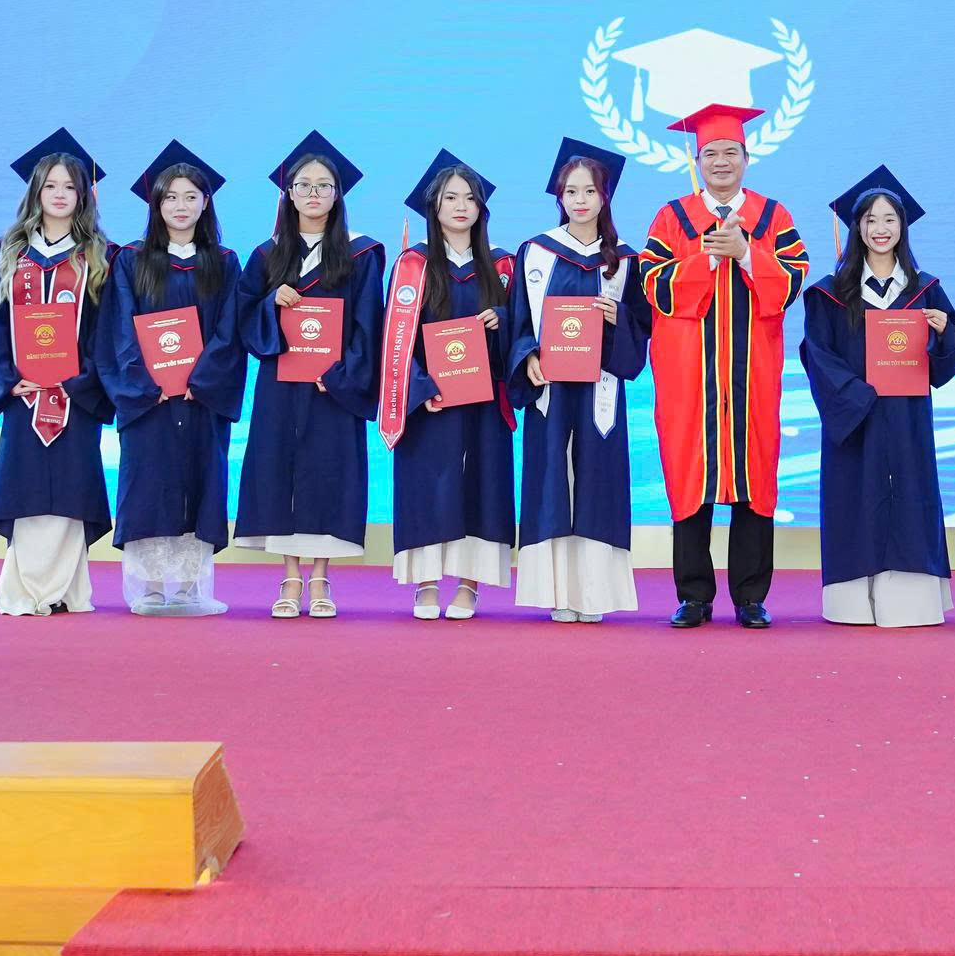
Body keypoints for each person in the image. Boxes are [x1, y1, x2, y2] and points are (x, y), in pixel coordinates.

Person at [638, 103, 810, 629]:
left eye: (730, 152)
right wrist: (710, 257)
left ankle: (750, 596)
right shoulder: (673, 217)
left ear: (746, 158)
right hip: (689, 374)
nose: (720, 162)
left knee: (754, 473)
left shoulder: (772, 216)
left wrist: (747, 253)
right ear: (697, 160)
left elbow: (792, 282)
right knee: (690, 473)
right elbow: (652, 284)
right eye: (710, 153)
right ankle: (694, 596)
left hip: (753, 372)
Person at [799, 166, 955, 628]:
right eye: (870, 220)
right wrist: (858, 396)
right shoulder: (831, 294)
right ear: (857, 228)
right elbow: (818, 354)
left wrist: (943, 333)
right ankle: (853, 602)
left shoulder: (924, 289)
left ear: (902, 226)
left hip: (908, 417)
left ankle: (910, 601)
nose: (880, 228)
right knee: (855, 495)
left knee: (911, 497)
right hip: (857, 419)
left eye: (889, 219)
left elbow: (950, 356)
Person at [233, 131, 384, 620]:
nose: (314, 193)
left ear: (338, 195)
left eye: (324, 186)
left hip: (333, 386)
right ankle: (290, 576)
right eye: (304, 185)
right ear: (290, 194)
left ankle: (320, 577)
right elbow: (242, 315)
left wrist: (343, 374)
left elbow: (369, 323)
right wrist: (270, 303)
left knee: (327, 475)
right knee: (282, 473)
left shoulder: (361, 255)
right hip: (281, 385)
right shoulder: (267, 254)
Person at [505, 139, 650, 622]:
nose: (581, 199)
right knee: (552, 478)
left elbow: (642, 327)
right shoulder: (535, 252)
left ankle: (594, 595)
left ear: (605, 196)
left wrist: (617, 318)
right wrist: (526, 357)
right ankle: (557, 593)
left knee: (596, 481)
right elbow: (517, 321)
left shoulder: (625, 261)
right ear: (559, 196)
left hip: (600, 391)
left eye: (590, 191)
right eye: (571, 191)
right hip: (550, 388)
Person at [100, 140, 246, 616]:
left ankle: (189, 588)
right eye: (170, 197)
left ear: (206, 203)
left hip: (201, 399)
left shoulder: (223, 261)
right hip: (150, 400)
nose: (180, 206)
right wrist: (147, 385)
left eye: (190, 196)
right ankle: (148, 588)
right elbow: (120, 330)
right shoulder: (131, 259)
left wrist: (199, 381)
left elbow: (229, 331)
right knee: (148, 483)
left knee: (200, 482)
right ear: (155, 203)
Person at [0, 128, 115, 616]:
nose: (59, 195)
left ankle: (65, 591)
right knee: (26, 485)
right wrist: (7, 381)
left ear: (83, 195)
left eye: (70, 186)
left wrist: (81, 381)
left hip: (77, 394)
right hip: (25, 394)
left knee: (73, 487)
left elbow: (106, 330)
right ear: (35, 192)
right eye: (50, 185)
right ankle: (26, 591)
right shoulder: (8, 252)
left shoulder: (100, 255)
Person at [379, 150, 518, 620]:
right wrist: (421, 388)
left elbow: (523, 331)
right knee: (427, 484)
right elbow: (396, 338)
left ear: (482, 207)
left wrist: (502, 320)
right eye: (451, 197)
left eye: (470, 198)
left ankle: (469, 584)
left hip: (484, 398)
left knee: (481, 483)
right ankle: (425, 582)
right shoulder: (413, 264)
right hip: (430, 400)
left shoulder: (503, 266)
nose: (461, 206)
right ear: (433, 205)